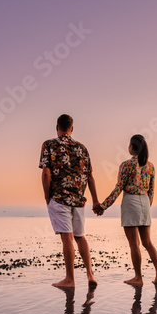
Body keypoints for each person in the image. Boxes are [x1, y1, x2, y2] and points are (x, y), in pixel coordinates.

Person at [39, 114, 101, 288]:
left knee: (67, 238)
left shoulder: (49, 144)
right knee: (80, 237)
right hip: (79, 200)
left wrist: (46, 196)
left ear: (57, 127)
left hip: (59, 197)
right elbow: (90, 177)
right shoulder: (82, 148)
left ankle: (69, 279)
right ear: (72, 129)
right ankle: (90, 275)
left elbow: (46, 173)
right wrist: (95, 201)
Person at [94, 135, 157, 285]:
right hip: (145, 202)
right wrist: (146, 206)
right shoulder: (150, 166)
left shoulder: (126, 165)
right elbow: (152, 191)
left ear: (132, 147)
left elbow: (118, 188)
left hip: (131, 201)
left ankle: (138, 277)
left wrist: (103, 206)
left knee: (134, 244)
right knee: (147, 242)